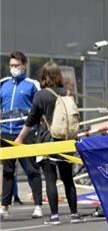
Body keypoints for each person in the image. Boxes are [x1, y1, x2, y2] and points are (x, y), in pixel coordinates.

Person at [14, 61, 81, 225]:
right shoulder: (67, 93)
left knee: (50, 179)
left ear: (44, 76)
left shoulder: (41, 95)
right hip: (66, 140)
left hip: (46, 140)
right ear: (59, 76)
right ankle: (74, 214)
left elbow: (31, 120)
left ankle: (54, 216)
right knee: (67, 179)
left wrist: (20, 138)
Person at [0, 51, 43, 219]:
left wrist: (29, 132)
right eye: (11, 65)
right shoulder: (3, 84)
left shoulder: (32, 84)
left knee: (32, 170)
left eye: (16, 65)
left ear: (24, 65)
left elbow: (37, 110)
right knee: (7, 172)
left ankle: (38, 206)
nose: (13, 68)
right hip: (6, 134)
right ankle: (4, 207)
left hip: (26, 134)